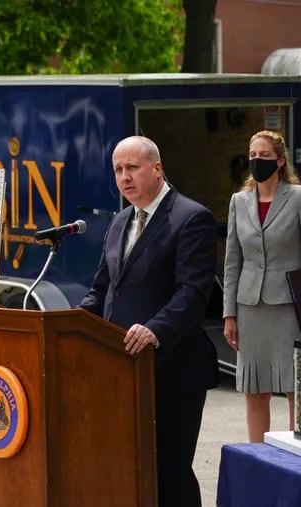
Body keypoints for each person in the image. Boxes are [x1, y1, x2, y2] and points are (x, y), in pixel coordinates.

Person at [79, 135, 219, 507]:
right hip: (120, 370)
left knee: (169, 472)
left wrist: (155, 329)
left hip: (172, 370)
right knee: (127, 468)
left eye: (132, 168)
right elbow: (103, 289)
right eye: (118, 170)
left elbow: (192, 293)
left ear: (157, 169)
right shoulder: (119, 221)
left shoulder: (191, 218)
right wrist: (72, 323)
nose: (124, 177)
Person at [222, 129, 300, 443]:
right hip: (249, 306)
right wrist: (229, 313)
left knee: (294, 384)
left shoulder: (297, 198)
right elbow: (232, 261)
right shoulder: (239, 202)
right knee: (255, 388)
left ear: (280, 161)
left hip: (289, 306)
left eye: (264, 156)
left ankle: (297, 454)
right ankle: (259, 455)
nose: (256, 161)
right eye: (253, 156)